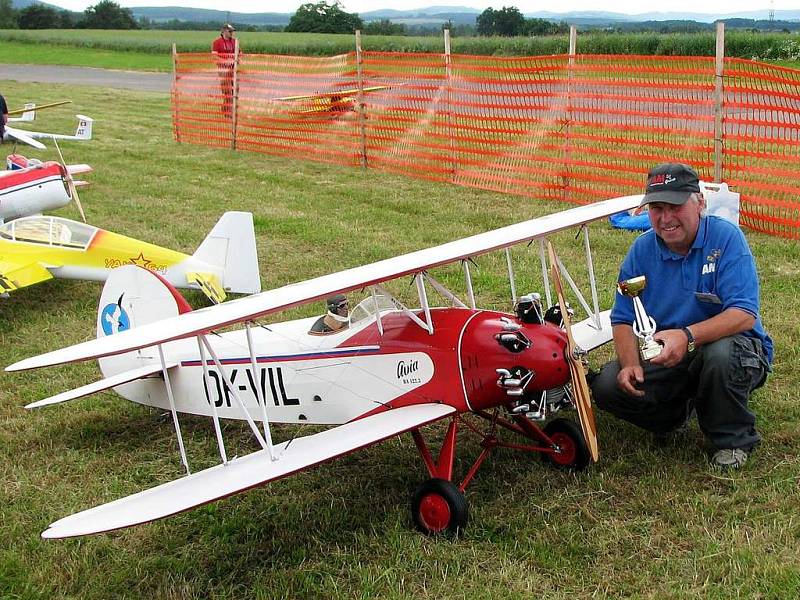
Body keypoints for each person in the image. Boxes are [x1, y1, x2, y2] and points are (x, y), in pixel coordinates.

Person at [591, 162, 773, 470]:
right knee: (608, 384)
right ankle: (671, 418)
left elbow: (744, 314)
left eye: (675, 206)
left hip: (733, 348)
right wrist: (631, 364)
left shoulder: (727, 239)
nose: (665, 218)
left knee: (721, 355)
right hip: (669, 355)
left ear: (699, 202)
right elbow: (622, 317)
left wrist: (686, 335)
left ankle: (732, 439)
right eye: (657, 208)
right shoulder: (641, 249)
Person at [211, 23, 238, 119]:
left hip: (233, 69)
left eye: (232, 31)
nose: (231, 33)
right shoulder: (217, 42)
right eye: (230, 31)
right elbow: (214, 56)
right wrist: (225, 61)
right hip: (223, 70)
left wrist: (237, 60)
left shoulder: (235, 42)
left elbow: (240, 53)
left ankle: (225, 108)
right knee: (228, 91)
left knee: (234, 90)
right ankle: (228, 113)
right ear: (224, 31)